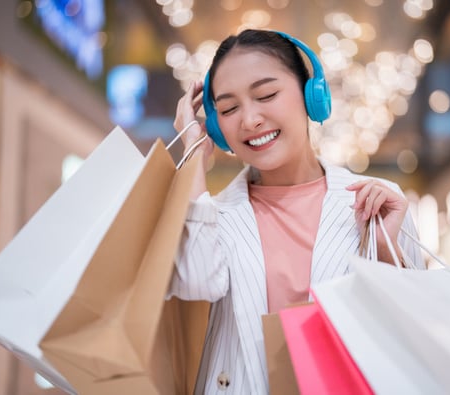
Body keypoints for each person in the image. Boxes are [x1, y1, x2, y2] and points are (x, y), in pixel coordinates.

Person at [168, 29, 425, 394]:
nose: (250, 120)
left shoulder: (379, 202)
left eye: (267, 95)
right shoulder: (211, 215)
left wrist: (386, 252)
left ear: (311, 94)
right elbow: (197, 282)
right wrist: (193, 152)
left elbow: (415, 334)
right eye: (227, 109)